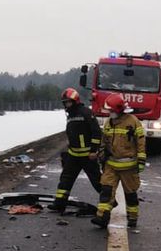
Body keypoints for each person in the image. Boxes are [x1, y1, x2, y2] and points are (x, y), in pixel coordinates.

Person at [91, 93, 146, 229]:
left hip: (129, 166)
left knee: (130, 193)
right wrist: (102, 154)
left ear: (119, 109)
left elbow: (140, 142)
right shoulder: (109, 122)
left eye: (111, 110)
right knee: (106, 190)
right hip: (111, 164)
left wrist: (141, 160)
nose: (109, 113)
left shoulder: (133, 121)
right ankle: (102, 217)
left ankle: (132, 218)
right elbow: (104, 140)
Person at [50, 88, 102, 214]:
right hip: (73, 155)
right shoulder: (71, 115)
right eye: (65, 102)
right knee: (65, 180)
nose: (66, 105)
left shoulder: (86, 113)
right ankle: (59, 204)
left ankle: (110, 202)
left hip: (87, 156)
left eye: (68, 102)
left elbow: (96, 132)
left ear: (75, 101)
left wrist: (94, 151)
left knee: (97, 181)